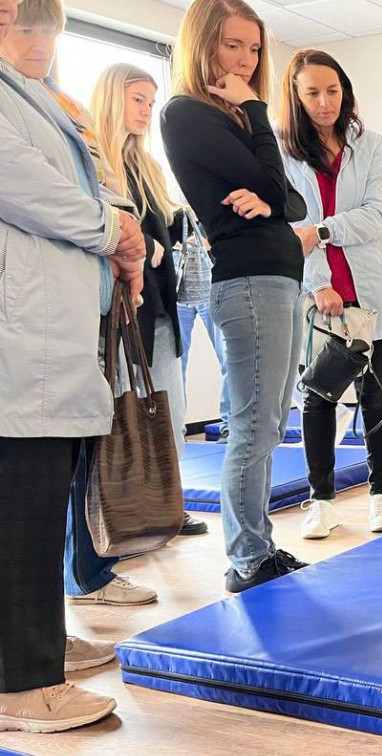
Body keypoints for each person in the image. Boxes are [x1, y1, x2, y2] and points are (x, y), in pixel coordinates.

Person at [0, 0, 147, 730]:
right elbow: (26, 187)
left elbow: (89, 184)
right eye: (31, 23)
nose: (43, 39)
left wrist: (123, 232)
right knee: (21, 503)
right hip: (21, 337)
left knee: (41, 494)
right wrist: (112, 231)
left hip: (54, 329)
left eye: (49, 25)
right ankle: (20, 684)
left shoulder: (40, 98)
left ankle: (36, 645)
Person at [161, 0, 308, 592]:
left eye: (253, 49)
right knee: (252, 425)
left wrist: (271, 198)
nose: (246, 61)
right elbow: (277, 184)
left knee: (270, 422)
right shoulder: (188, 113)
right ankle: (248, 556)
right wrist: (255, 110)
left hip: (277, 278)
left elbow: (291, 201)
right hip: (248, 282)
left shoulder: (237, 121)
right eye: (232, 46)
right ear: (204, 46)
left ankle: (259, 548)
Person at [277, 49, 382, 539]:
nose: (324, 101)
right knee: (317, 396)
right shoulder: (282, 152)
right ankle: (322, 501)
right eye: (312, 92)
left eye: (332, 90)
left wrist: (323, 231)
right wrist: (319, 284)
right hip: (319, 299)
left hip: (371, 293)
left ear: (345, 91)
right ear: (295, 96)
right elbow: (290, 228)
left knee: (377, 394)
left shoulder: (370, 145)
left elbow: (378, 216)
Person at [90, 62, 209, 537]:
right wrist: (153, 245)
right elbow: (119, 232)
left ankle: (168, 508)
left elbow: (161, 229)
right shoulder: (95, 158)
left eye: (150, 102)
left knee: (170, 413)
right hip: (118, 311)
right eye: (137, 100)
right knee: (119, 416)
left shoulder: (148, 165)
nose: (145, 111)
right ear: (112, 98)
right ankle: (120, 513)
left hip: (160, 308)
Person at [175, 211, 232, 443]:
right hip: (177, 291)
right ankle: (174, 430)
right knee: (175, 366)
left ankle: (230, 426)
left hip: (213, 288)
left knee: (229, 359)